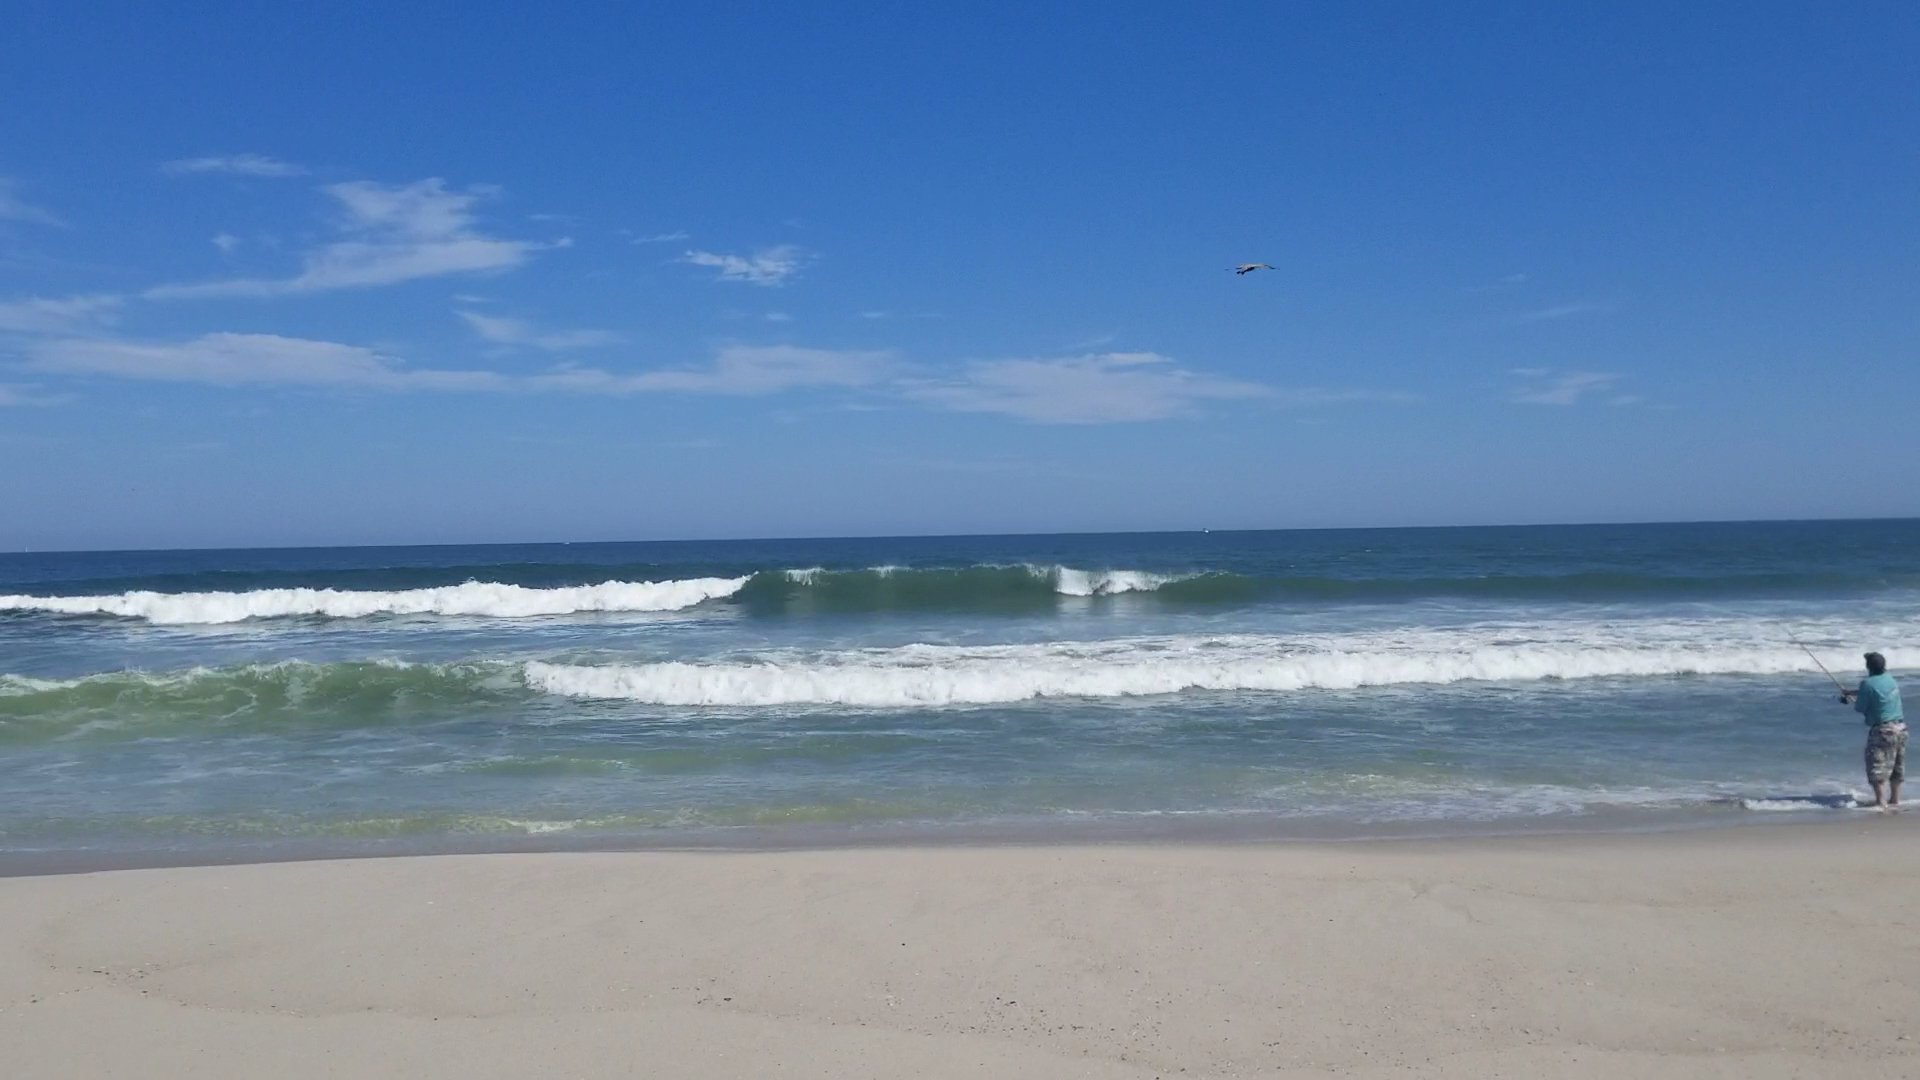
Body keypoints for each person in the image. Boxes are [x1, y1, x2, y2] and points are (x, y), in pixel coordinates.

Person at [1840, 652, 1905, 811]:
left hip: (1882, 730)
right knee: (1897, 766)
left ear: (1868, 667)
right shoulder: (1890, 679)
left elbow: (1860, 708)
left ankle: (1880, 801)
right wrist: (1852, 693)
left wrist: (1848, 700)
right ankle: (1895, 800)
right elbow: (1878, 693)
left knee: (1876, 765)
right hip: (1901, 728)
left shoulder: (1867, 683)